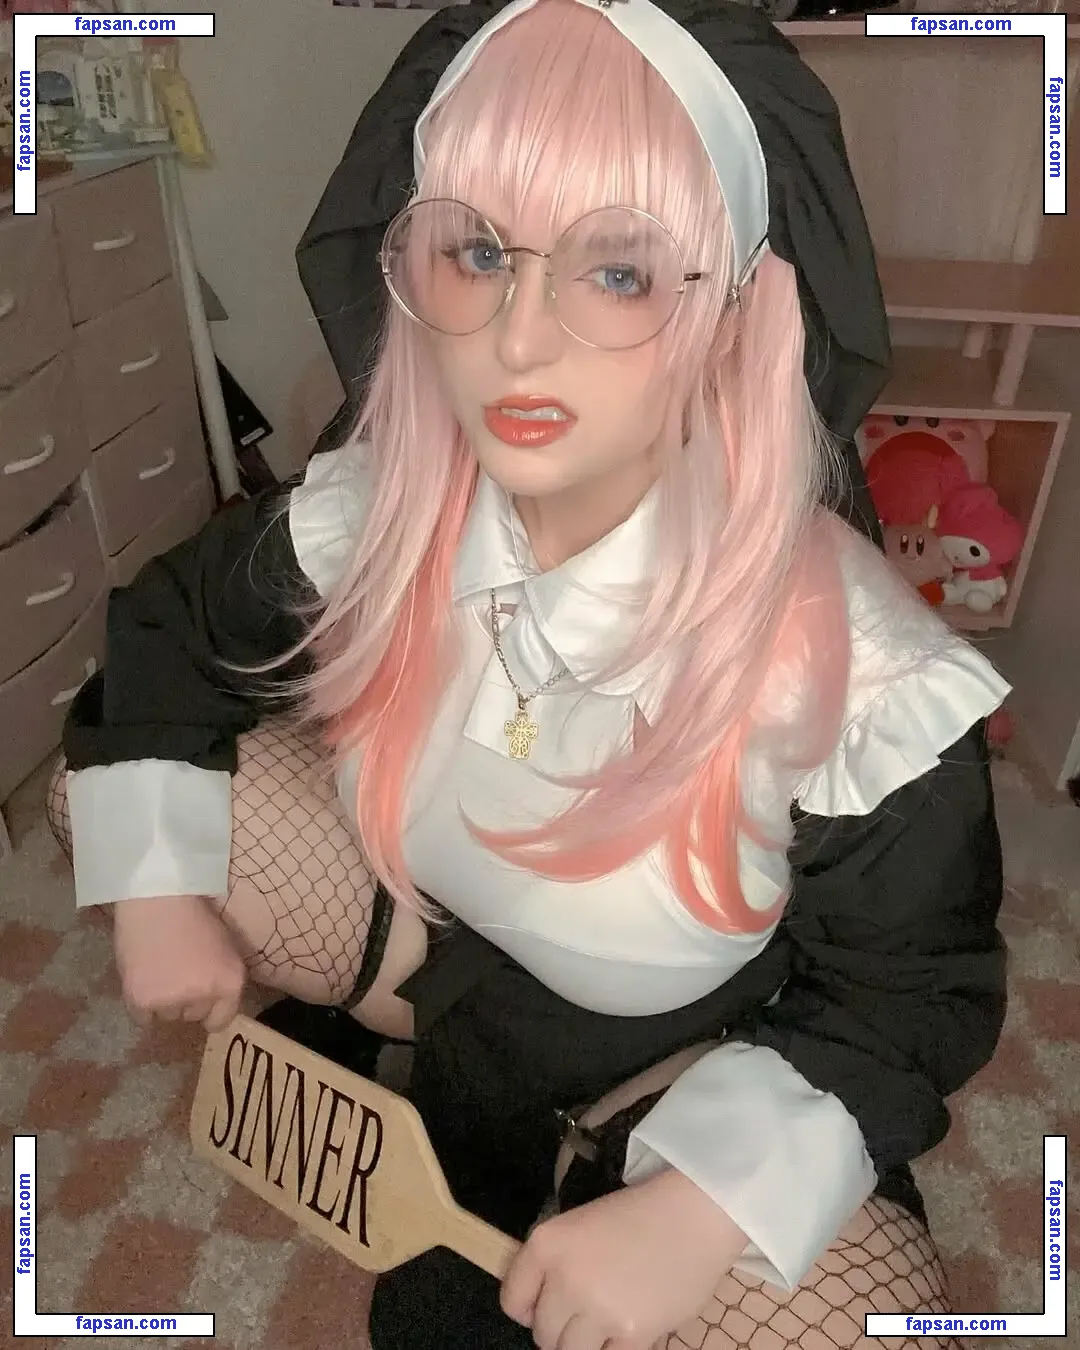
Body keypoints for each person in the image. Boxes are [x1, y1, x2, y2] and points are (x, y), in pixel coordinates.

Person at [54, 1, 1010, 1346]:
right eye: (478, 251)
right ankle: (431, 1074)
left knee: (853, 1326)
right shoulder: (377, 516)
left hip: (695, 1048)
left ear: (739, 308)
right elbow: (169, 632)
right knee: (108, 804)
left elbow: (912, 995)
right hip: (434, 957)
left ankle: (597, 1158)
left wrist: (699, 1208)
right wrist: (156, 885)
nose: (517, 337)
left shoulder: (859, 674)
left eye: (618, 271)